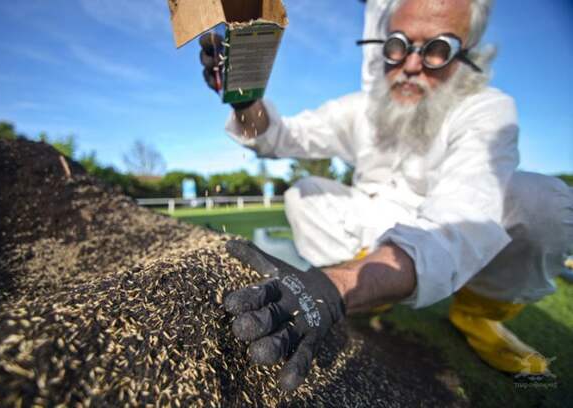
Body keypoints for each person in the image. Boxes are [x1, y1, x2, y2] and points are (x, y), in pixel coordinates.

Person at [199, 0, 573, 391]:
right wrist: (244, 99)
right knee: (304, 193)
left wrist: (334, 287)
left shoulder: (487, 111)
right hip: (378, 232)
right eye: (398, 45)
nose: (411, 66)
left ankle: (476, 313)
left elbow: (462, 220)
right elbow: (280, 137)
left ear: (466, 57)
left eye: (437, 49)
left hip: (455, 237)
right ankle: (375, 293)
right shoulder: (363, 109)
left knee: (546, 203)